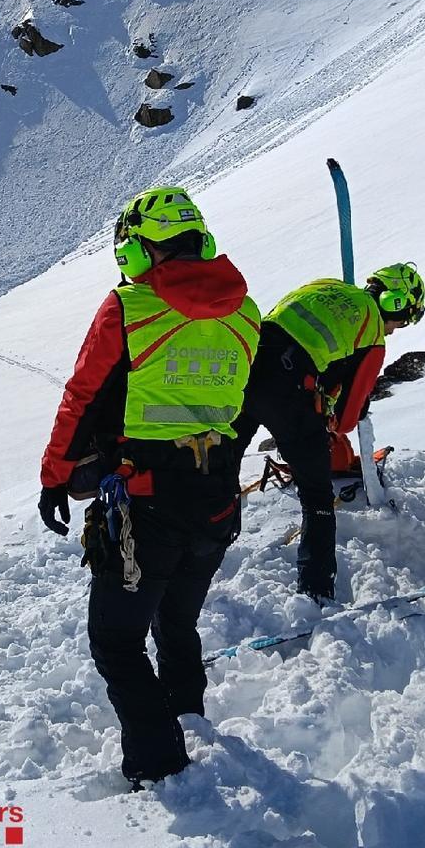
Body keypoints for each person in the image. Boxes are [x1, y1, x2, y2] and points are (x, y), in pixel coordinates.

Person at [38, 187, 260, 788]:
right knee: (177, 623)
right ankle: (189, 715)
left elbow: (83, 397)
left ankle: (161, 766)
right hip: (217, 500)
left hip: (147, 506)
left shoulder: (129, 308)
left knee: (115, 641)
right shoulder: (246, 312)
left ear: (140, 251)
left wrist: (55, 477)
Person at [230, 264, 425, 603]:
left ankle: (207, 548)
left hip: (243, 372)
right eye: (402, 320)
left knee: (222, 467)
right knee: (317, 496)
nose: (396, 330)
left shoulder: (324, 285)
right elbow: (350, 416)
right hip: (289, 392)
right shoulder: (373, 335)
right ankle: (315, 590)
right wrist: (327, 419)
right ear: (395, 303)